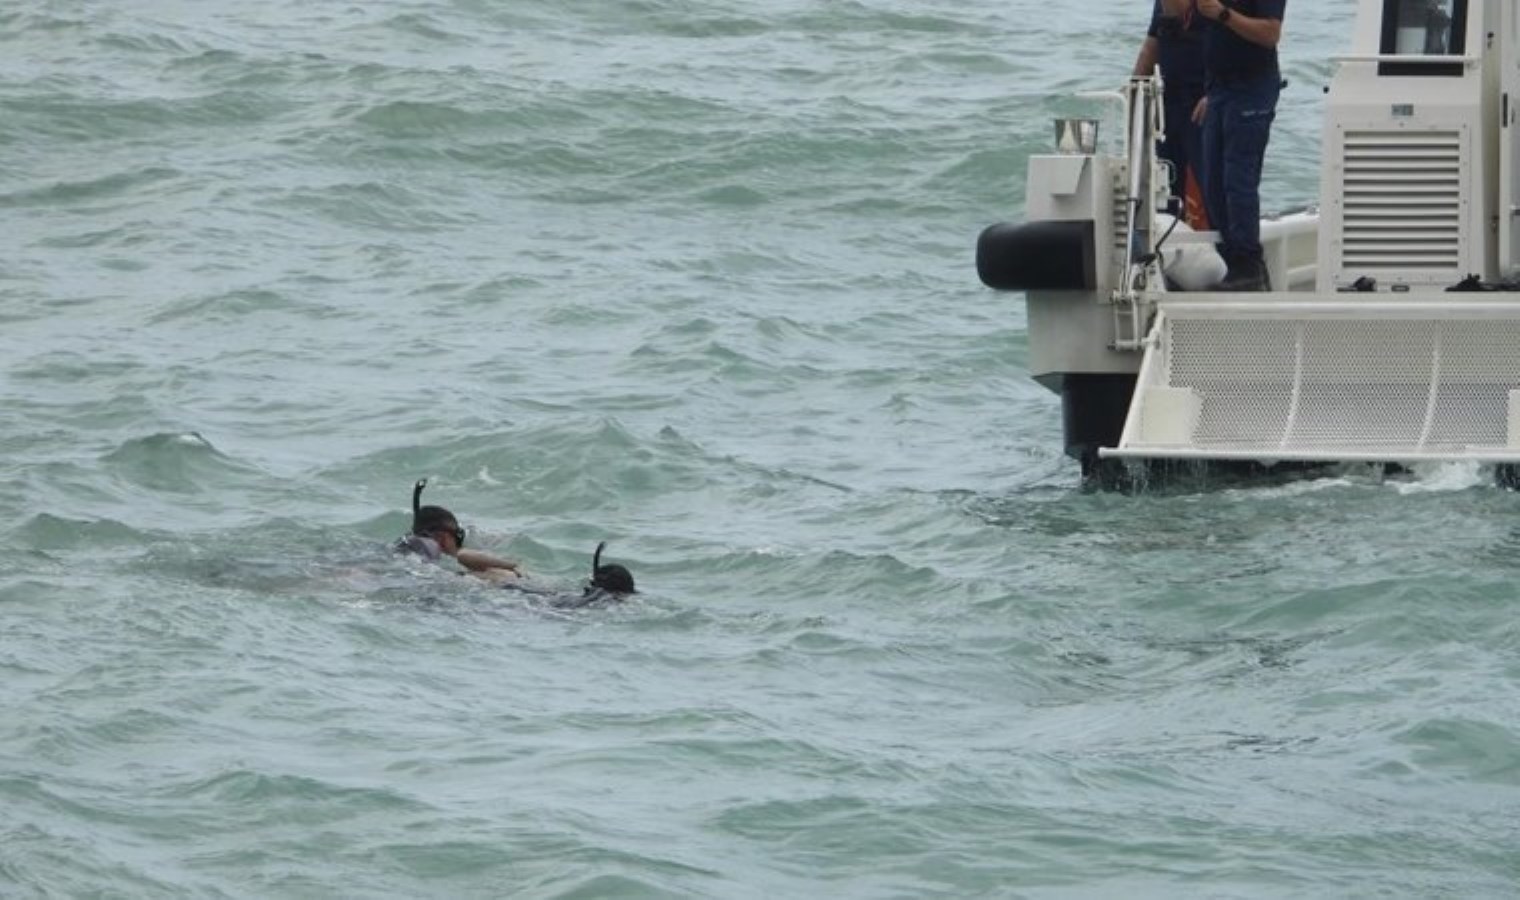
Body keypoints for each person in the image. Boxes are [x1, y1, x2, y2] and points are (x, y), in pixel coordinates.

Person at [1169, 0, 1286, 291]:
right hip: (1218, 89)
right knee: (1213, 184)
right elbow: (1178, 15)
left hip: (1252, 87)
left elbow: (1271, 34)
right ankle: (1234, 262)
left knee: (1238, 179)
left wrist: (1224, 14)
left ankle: (1248, 263)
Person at [1133, 0, 1209, 227]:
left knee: (1210, 184)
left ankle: (1224, 242)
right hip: (1167, 102)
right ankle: (1169, 234)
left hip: (1201, 104)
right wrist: (1134, 89)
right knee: (1166, 183)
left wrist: (1216, 93)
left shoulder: (1213, 7)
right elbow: (1152, 45)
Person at [395, 479, 523, 583]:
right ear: (443, 538)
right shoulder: (464, 561)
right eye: (457, 537)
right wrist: (514, 567)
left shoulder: (406, 554)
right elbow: (464, 555)